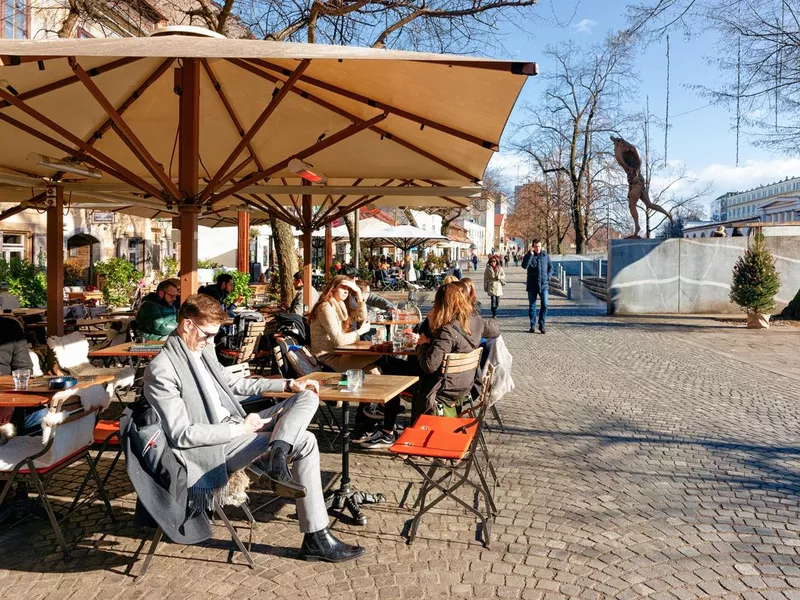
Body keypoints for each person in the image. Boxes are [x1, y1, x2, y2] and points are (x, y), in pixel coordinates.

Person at [142, 293, 364, 563]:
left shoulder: (201, 350)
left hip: (238, 427)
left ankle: (278, 455)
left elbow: (230, 382)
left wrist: (286, 386)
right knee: (305, 441)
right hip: (214, 446)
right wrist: (240, 430)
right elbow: (182, 434)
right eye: (207, 335)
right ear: (188, 325)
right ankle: (315, 536)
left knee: (307, 395)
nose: (211, 341)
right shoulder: (163, 370)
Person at [416, 281, 499, 416]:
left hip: (444, 388)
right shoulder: (475, 321)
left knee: (403, 373)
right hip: (467, 383)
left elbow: (429, 365)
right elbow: (495, 330)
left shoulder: (447, 330)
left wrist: (423, 344)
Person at [309, 276, 373, 373]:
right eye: (343, 287)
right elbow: (338, 340)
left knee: (376, 367)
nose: (346, 291)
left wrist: (359, 293)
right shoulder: (325, 308)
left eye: (348, 289)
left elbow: (360, 317)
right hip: (327, 360)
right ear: (333, 287)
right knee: (380, 359)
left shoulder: (340, 305)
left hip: (340, 354)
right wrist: (360, 332)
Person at [522, 239, 553, 334]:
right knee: (532, 306)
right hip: (532, 285)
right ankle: (532, 325)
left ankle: (542, 324)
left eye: (539, 246)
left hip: (543, 285)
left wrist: (548, 277)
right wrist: (530, 255)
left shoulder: (545, 256)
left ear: (541, 246)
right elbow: (524, 266)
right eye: (535, 246)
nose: (537, 248)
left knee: (545, 304)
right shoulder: (529, 256)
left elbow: (551, 268)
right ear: (532, 247)